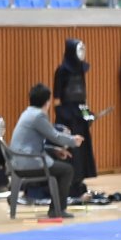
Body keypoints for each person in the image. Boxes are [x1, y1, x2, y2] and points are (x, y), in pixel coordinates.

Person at [10, 83, 83, 218]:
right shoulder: (39, 116)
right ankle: (57, 209)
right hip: (28, 163)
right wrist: (73, 140)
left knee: (59, 168)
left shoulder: (27, 113)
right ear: (47, 101)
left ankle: (54, 207)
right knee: (67, 170)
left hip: (19, 161)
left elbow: (33, 144)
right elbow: (55, 136)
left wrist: (54, 150)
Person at [53, 38, 95, 197]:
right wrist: (64, 116)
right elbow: (57, 99)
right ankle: (69, 183)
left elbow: (83, 97)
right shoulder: (61, 70)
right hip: (66, 116)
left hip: (79, 115)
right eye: (79, 50)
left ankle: (79, 181)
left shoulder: (81, 70)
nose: (82, 53)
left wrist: (87, 114)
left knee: (82, 150)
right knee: (71, 151)